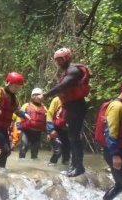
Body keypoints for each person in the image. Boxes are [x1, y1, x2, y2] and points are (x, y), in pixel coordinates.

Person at [43, 48, 90, 177]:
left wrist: (46, 95)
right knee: (72, 137)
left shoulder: (73, 70)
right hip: (72, 106)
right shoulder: (68, 70)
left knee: (74, 137)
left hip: (77, 106)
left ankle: (79, 167)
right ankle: (75, 165)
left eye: (60, 59)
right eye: (57, 60)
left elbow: (63, 85)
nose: (58, 62)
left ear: (67, 58)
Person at [17, 88, 47, 160]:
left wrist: (49, 132)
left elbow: (48, 120)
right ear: (32, 96)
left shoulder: (44, 108)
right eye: (34, 95)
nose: (36, 97)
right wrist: (18, 128)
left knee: (35, 151)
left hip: (37, 132)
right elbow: (19, 116)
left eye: (38, 95)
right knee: (24, 146)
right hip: (26, 131)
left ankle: (33, 166)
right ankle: (21, 162)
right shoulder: (26, 105)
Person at [46, 96, 70, 165]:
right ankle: (51, 166)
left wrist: (79, 132)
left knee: (67, 154)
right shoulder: (56, 100)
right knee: (58, 151)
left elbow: (78, 118)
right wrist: (50, 130)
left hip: (67, 131)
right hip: (56, 130)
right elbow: (49, 115)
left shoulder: (73, 101)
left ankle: (65, 170)